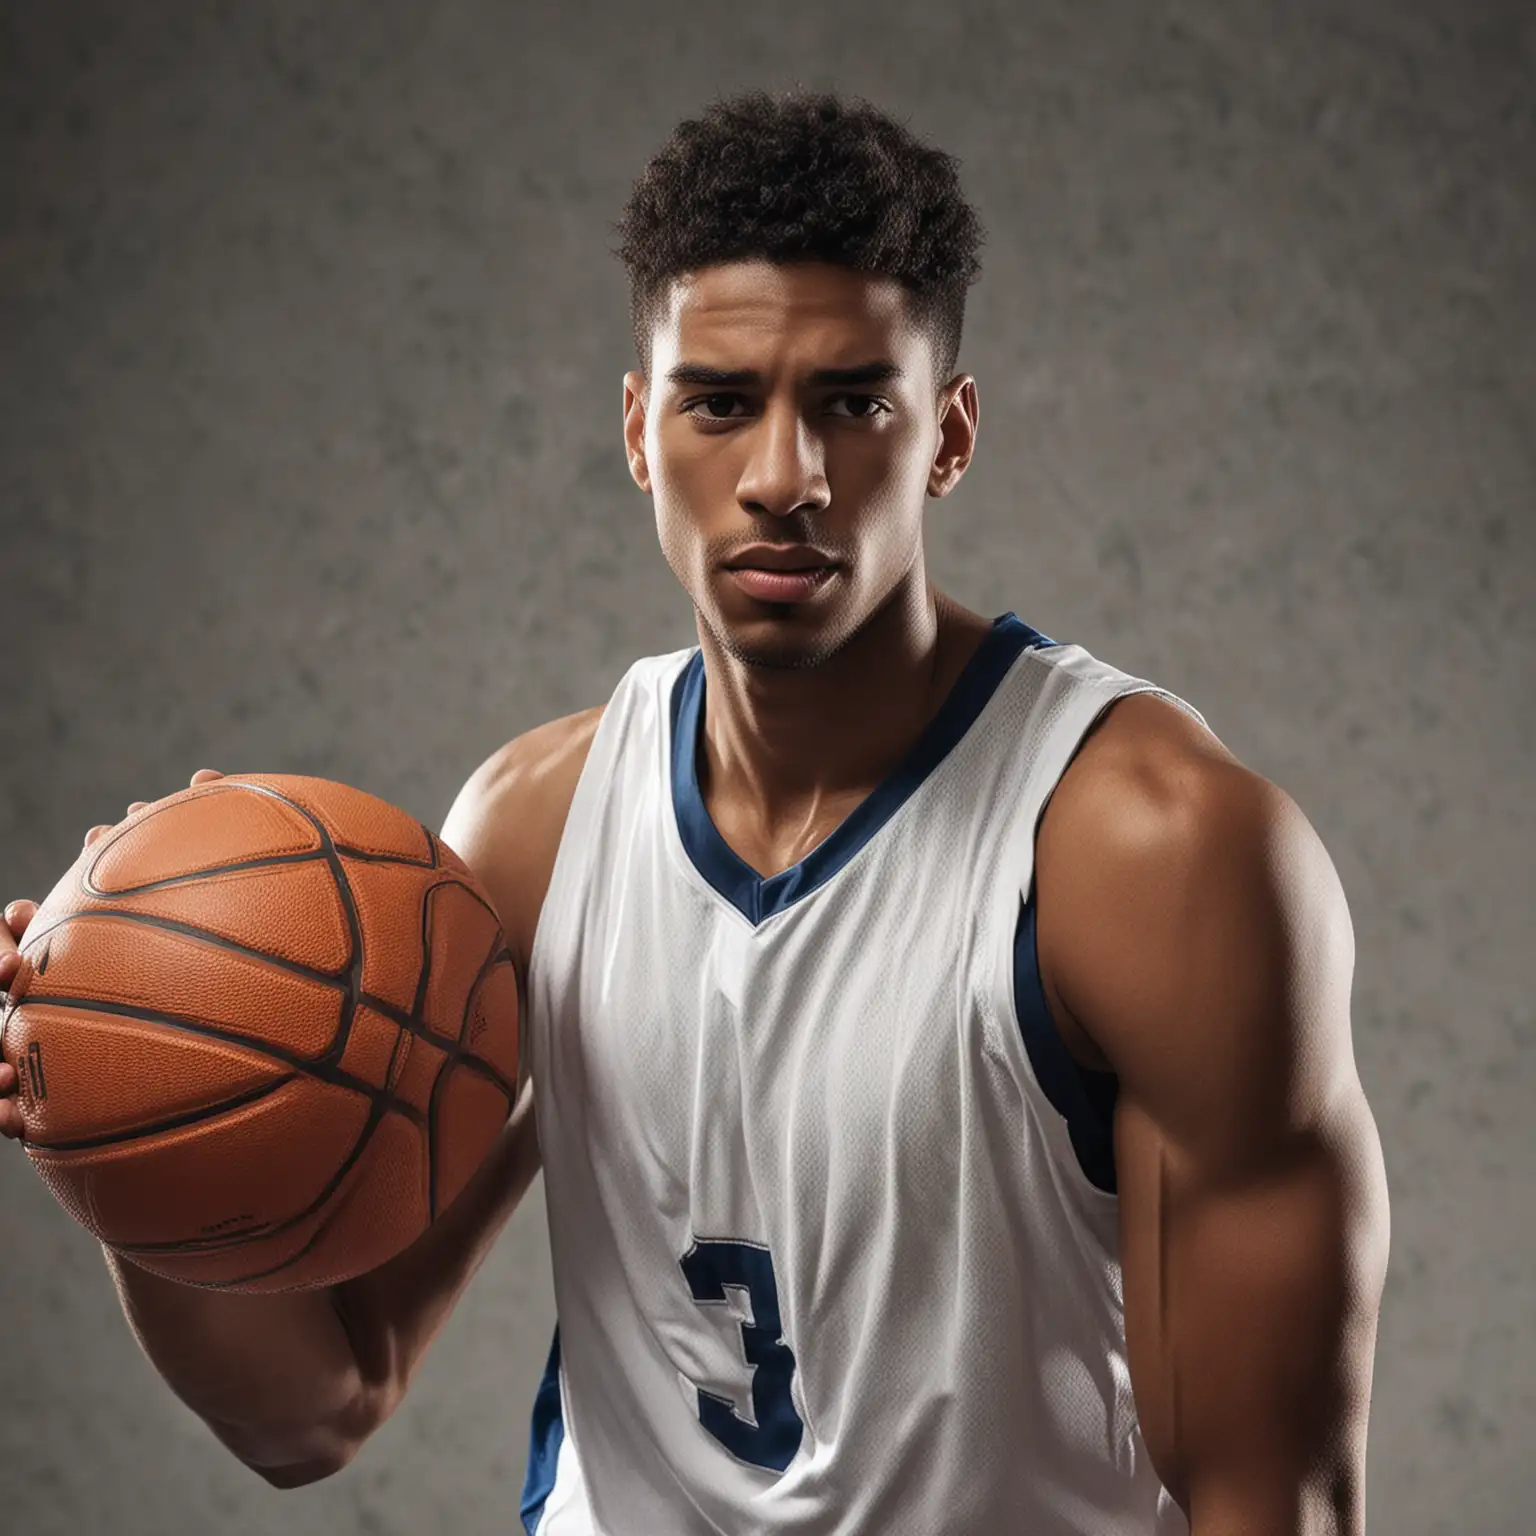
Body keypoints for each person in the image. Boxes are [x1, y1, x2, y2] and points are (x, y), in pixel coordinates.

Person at [0, 89, 1389, 1534]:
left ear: (950, 435)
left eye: (855, 403)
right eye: (719, 402)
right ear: (638, 430)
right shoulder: (538, 837)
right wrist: (112, 1119)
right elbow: (316, 1402)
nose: (783, 479)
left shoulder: (1151, 856)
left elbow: (1266, 1499)